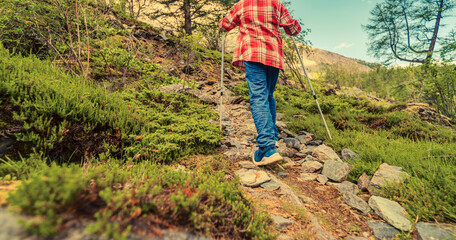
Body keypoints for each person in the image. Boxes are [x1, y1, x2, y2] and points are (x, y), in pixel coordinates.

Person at [219, 0, 301, 166]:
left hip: (252, 52)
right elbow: (293, 29)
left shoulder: (241, 4)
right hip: (273, 55)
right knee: (268, 96)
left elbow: (224, 26)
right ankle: (272, 137)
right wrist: (290, 25)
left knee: (258, 97)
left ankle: (266, 148)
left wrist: (222, 20)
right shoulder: (276, 4)